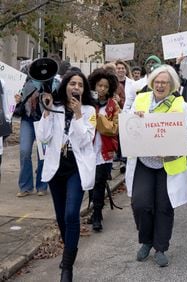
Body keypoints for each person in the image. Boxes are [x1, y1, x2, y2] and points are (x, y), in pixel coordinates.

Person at [125, 65, 187, 267]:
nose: (160, 85)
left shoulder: (179, 105)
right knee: (141, 204)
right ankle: (146, 241)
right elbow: (127, 125)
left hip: (167, 164)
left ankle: (160, 247)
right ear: (151, 82)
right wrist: (133, 119)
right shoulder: (140, 100)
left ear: (172, 85)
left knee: (164, 206)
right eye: (157, 81)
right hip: (144, 162)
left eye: (165, 82)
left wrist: (172, 149)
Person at [37, 71, 96, 281]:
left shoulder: (89, 110)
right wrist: (46, 111)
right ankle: (68, 250)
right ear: (65, 86)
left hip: (76, 168)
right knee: (62, 216)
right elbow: (43, 137)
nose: (77, 87)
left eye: (80, 84)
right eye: (73, 83)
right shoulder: (55, 107)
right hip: (56, 168)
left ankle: (67, 267)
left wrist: (78, 114)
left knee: (72, 214)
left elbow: (84, 140)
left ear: (84, 89)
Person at [14, 62, 60, 197]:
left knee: (43, 154)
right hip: (28, 120)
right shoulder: (25, 83)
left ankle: (42, 185)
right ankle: (25, 186)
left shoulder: (54, 83)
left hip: (44, 121)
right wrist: (17, 102)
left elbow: (58, 103)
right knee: (24, 151)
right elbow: (15, 104)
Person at [87, 69, 120, 232]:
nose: (102, 89)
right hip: (88, 149)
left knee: (99, 182)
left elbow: (115, 128)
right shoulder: (87, 103)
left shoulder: (113, 105)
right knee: (90, 183)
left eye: (105, 87)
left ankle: (97, 215)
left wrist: (101, 121)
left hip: (105, 151)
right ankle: (94, 211)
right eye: (99, 85)